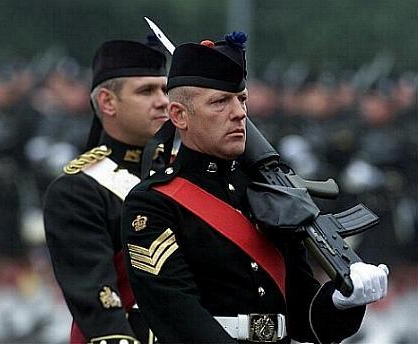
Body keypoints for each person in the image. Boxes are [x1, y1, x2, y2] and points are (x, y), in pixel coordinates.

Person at [121, 32, 389, 343]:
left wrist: (343, 301)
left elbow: (307, 322)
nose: (239, 113)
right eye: (220, 101)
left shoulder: (271, 192)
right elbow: (177, 316)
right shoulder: (154, 203)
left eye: (242, 98)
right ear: (179, 115)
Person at [43, 37, 169, 344]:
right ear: (107, 102)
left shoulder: (181, 174)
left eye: (165, 89)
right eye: (146, 91)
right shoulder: (79, 190)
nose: (163, 101)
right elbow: (98, 302)